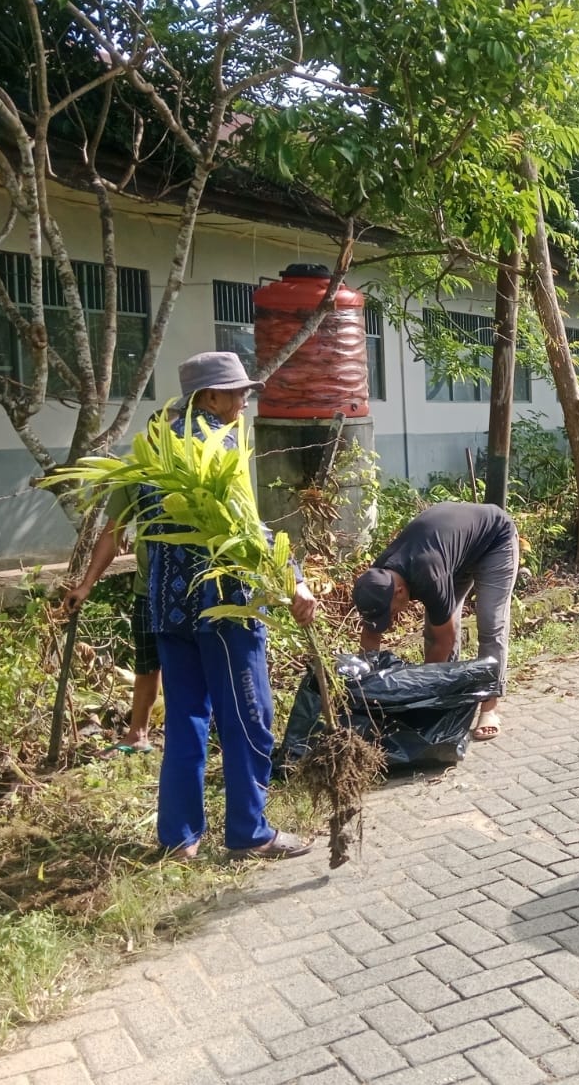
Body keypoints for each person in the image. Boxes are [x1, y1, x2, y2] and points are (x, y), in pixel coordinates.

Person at [147, 352, 316, 860]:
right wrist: (294, 579)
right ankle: (249, 832)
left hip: (168, 607)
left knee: (186, 720)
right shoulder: (217, 445)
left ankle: (179, 838)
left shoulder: (159, 446)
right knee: (248, 716)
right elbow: (246, 528)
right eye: (237, 392)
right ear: (210, 397)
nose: (245, 400)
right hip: (221, 607)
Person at [353, 503, 519, 741]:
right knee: (432, 633)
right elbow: (371, 635)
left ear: (400, 592)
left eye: (391, 613)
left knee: (490, 626)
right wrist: (365, 692)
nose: (390, 620)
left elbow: (445, 640)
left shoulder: (428, 574)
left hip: (495, 540)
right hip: (453, 551)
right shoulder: (377, 580)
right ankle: (448, 703)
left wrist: (420, 694)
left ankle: (489, 708)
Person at [64, 415, 164, 753]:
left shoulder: (200, 469)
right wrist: (87, 584)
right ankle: (138, 735)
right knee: (148, 663)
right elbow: (113, 531)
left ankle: (193, 732)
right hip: (149, 589)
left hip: (192, 592)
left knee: (189, 664)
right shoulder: (134, 475)